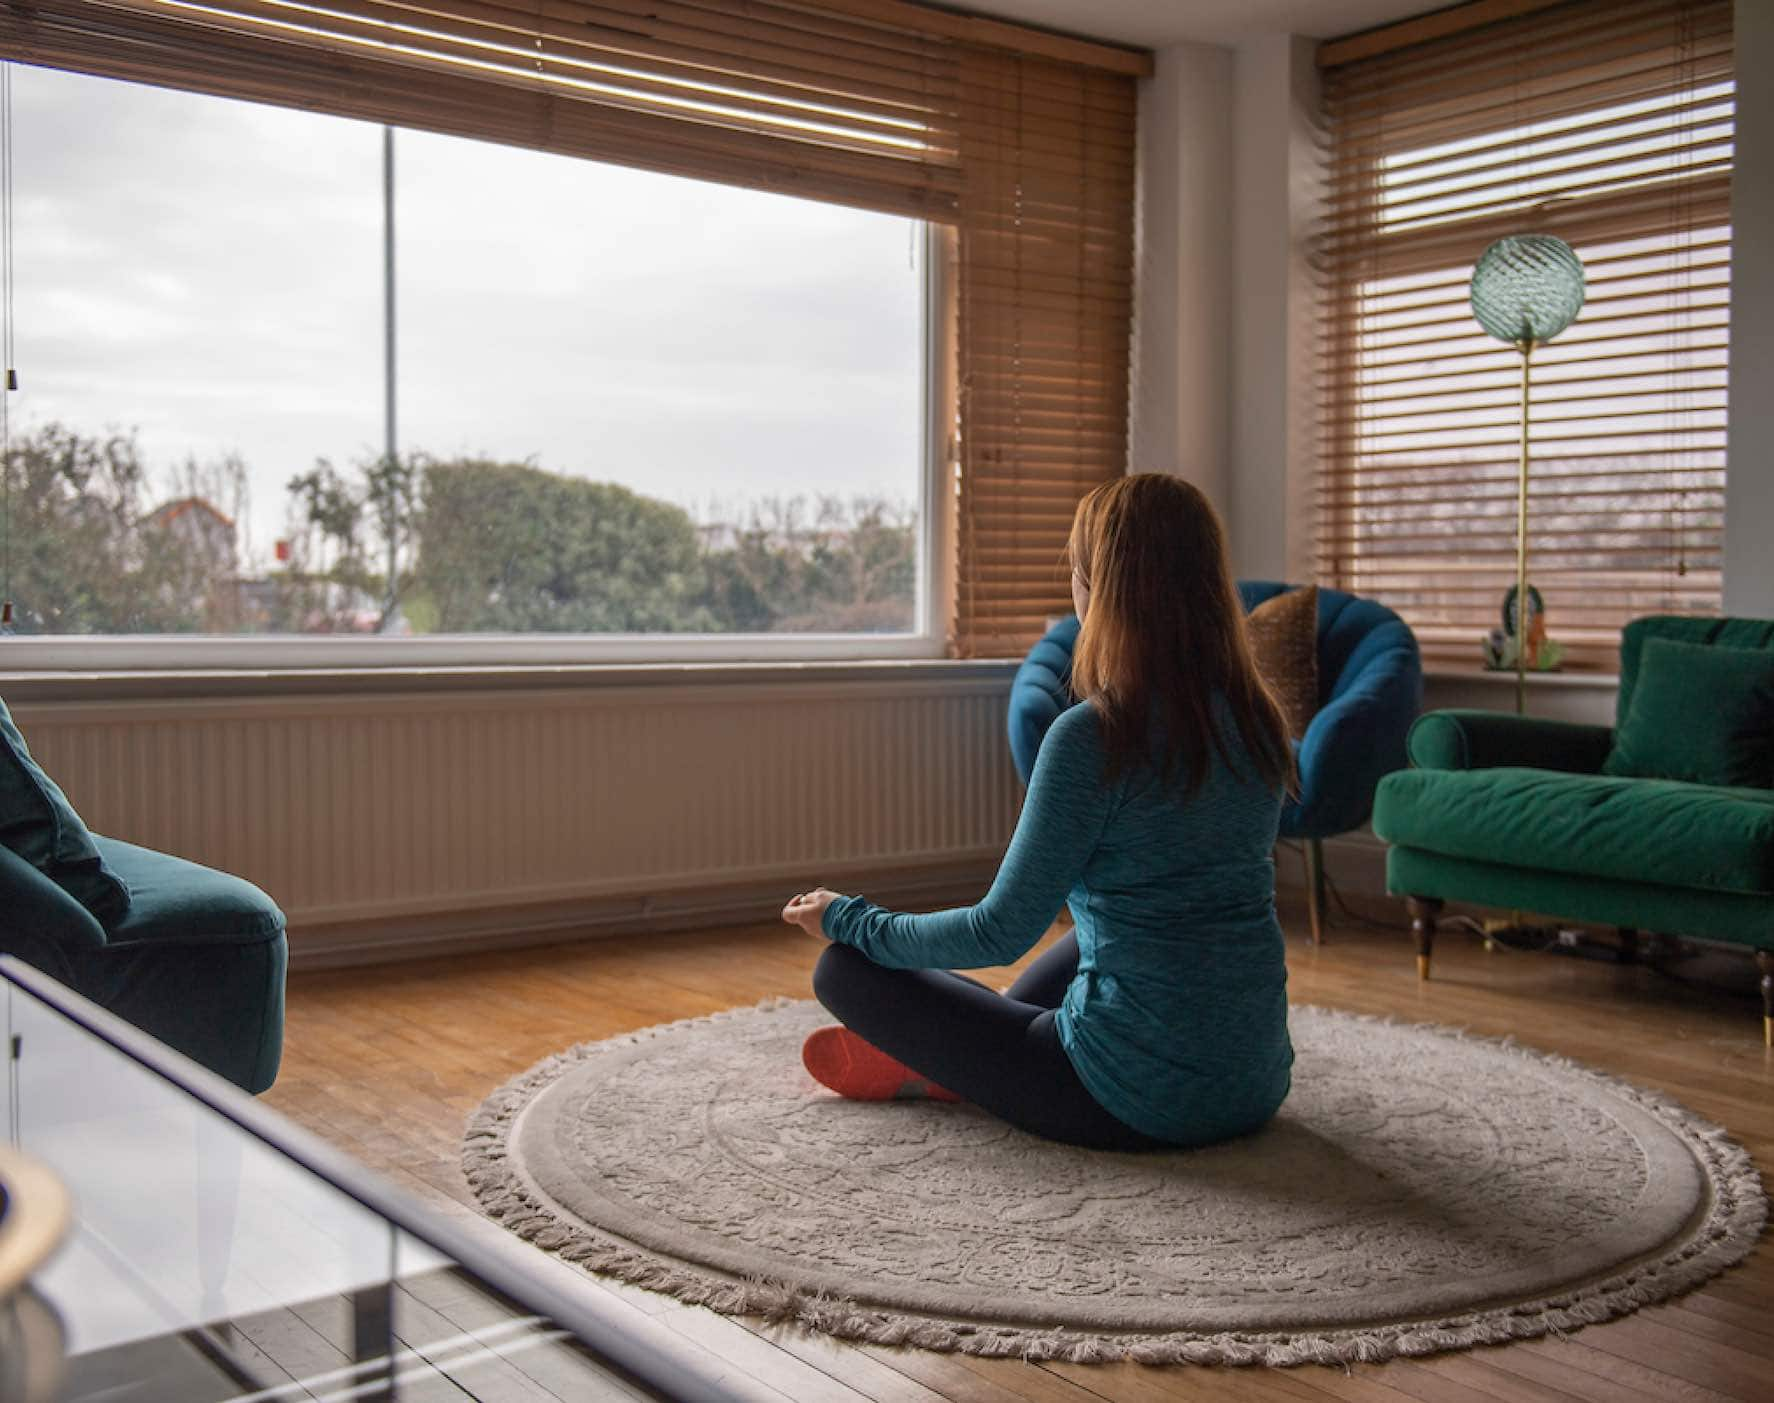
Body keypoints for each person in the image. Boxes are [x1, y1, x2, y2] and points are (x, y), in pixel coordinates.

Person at [781, 473, 1297, 1151]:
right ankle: (957, 1060)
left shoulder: (1094, 736)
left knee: (843, 970)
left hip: (1126, 1099)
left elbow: (999, 930)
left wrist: (849, 918)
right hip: (1254, 1085)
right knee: (1101, 929)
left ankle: (950, 1066)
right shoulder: (1260, 722)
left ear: (1104, 591)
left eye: (1079, 574)